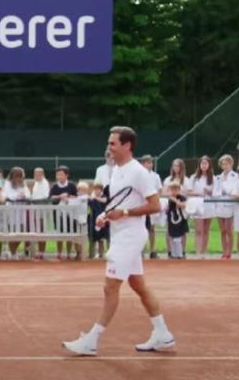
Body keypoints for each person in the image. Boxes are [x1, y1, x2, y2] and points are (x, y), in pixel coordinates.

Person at [63, 126, 173, 356]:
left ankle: (91, 340)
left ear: (127, 145)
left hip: (131, 236)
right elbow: (120, 202)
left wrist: (123, 213)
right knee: (138, 285)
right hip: (121, 234)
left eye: (113, 143)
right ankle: (163, 334)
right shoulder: (116, 170)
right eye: (109, 142)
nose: (109, 147)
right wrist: (106, 215)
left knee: (110, 286)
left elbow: (155, 205)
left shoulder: (138, 172)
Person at [187, 155, 216, 258]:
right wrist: (198, 193)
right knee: (199, 230)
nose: (204, 165)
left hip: (209, 206)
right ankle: (198, 252)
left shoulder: (213, 178)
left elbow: (216, 192)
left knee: (206, 230)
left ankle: (204, 252)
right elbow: (189, 191)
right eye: (202, 163)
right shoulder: (193, 177)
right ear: (199, 165)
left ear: (209, 165)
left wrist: (209, 191)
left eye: (206, 163)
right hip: (197, 205)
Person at [49, 166, 77, 260]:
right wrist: (59, 196)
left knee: (70, 232)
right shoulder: (54, 186)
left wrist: (68, 197)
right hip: (58, 214)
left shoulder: (72, 185)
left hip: (70, 214)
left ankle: (69, 253)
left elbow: (76, 197)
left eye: (61, 174)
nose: (59, 176)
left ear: (66, 175)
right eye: (58, 175)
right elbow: (51, 197)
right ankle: (59, 253)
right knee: (59, 233)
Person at [163, 158, 189, 257]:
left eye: (177, 165)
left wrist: (181, 200)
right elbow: (164, 192)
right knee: (169, 230)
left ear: (181, 167)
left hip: (182, 209)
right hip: (171, 208)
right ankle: (171, 252)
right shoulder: (168, 179)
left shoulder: (186, 180)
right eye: (174, 165)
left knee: (182, 230)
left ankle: (182, 251)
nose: (175, 168)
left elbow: (187, 192)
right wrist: (174, 199)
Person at [215, 155, 238, 259]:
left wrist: (225, 190)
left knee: (229, 230)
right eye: (223, 164)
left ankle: (229, 252)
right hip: (220, 204)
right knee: (222, 230)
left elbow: (232, 190)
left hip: (230, 205)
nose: (225, 166)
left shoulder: (235, 176)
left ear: (231, 164)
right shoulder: (218, 177)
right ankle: (224, 251)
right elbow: (215, 191)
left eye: (227, 164)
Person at [140, 155, 163, 259]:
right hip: (141, 205)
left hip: (152, 205)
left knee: (152, 228)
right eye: (147, 162)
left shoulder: (156, 176)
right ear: (143, 163)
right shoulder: (138, 175)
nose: (149, 164)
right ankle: (141, 250)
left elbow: (159, 190)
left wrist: (155, 201)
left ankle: (152, 250)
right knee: (141, 228)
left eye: (151, 162)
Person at [6, 167, 31, 259]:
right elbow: (7, 195)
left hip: (22, 212)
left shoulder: (24, 184)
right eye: (16, 176)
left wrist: (25, 196)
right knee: (12, 233)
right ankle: (12, 253)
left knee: (21, 232)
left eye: (20, 176)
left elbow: (28, 194)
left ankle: (13, 251)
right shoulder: (8, 184)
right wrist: (17, 196)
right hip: (12, 212)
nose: (18, 178)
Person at [31, 167, 50, 259]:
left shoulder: (44, 183)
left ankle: (42, 252)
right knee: (37, 231)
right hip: (35, 210)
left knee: (41, 230)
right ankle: (38, 251)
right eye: (35, 174)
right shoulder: (36, 183)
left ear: (42, 174)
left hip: (41, 209)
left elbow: (45, 196)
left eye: (38, 174)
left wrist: (34, 200)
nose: (36, 176)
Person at [166, 182, 188, 259]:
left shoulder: (182, 197)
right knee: (171, 237)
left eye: (176, 189)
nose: (174, 191)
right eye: (172, 189)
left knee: (178, 238)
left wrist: (177, 201)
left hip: (180, 221)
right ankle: (173, 253)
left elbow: (184, 204)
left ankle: (180, 254)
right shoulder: (169, 198)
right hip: (171, 221)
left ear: (179, 190)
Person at [88, 183, 108, 259]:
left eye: (99, 189)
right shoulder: (92, 199)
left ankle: (101, 254)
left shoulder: (104, 197)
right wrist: (92, 198)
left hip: (102, 219)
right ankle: (91, 254)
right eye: (95, 189)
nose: (97, 191)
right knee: (92, 238)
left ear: (101, 190)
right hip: (93, 220)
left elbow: (105, 200)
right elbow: (89, 203)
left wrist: (96, 198)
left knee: (101, 238)